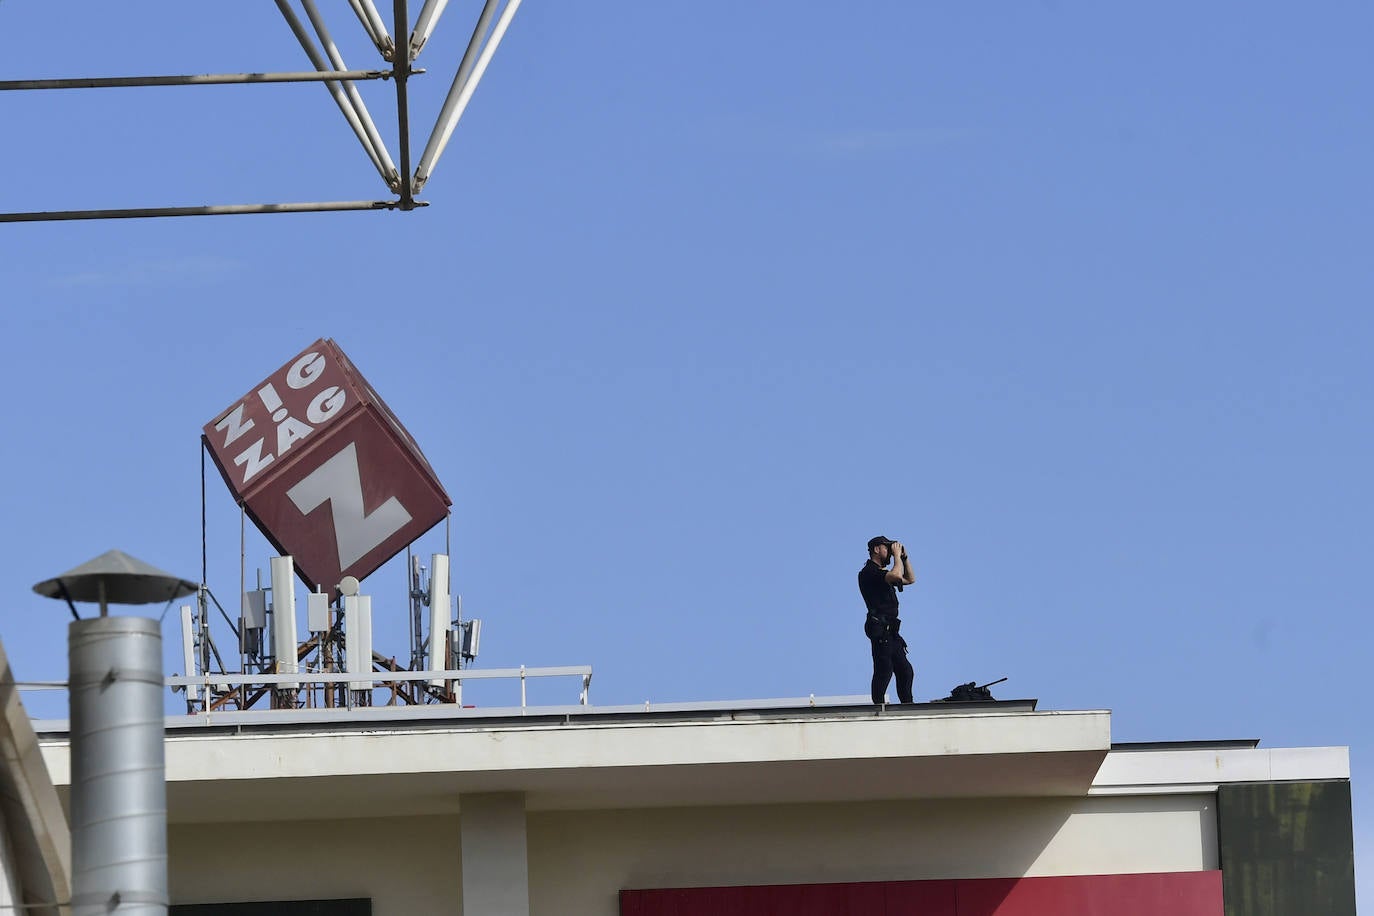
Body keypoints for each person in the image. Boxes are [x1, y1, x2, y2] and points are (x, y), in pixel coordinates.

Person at [857, 535, 916, 705]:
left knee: (905, 671)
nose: (889, 552)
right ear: (876, 549)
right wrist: (897, 556)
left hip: (892, 631)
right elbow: (896, 576)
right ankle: (878, 707)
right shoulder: (869, 572)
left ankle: (908, 706)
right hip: (880, 629)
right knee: (884, 670)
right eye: (886, 548)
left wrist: (904, 558)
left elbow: (910, 579)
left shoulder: (883, 573)